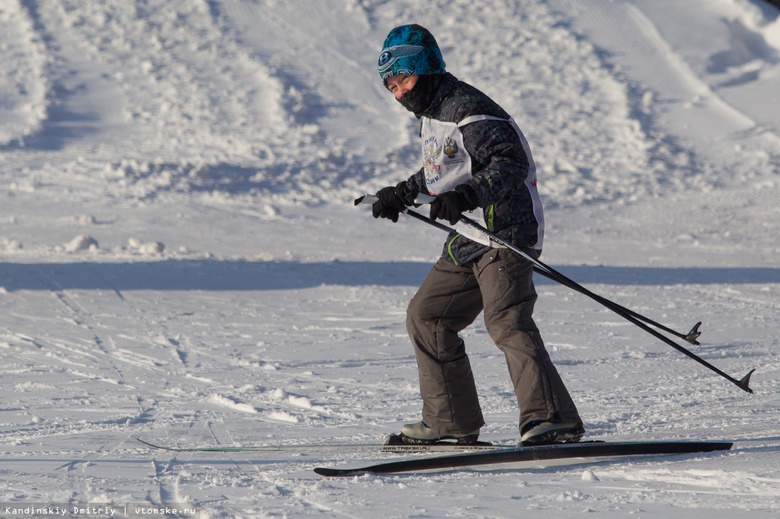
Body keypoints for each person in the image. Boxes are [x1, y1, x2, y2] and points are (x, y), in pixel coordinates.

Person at [371, 24, 584, 446]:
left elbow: (510, 163)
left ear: (427, 69)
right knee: (428, 316)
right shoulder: (433, 114)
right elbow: (444, 167)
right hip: (471, 236)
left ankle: (553, 417)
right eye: (392, 86)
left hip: (506, 230)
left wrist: (469, 194)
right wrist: (403, 193)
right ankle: (451, 422)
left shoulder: (469, 109)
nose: (399, 94)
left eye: (404, 80)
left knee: (506, 320)